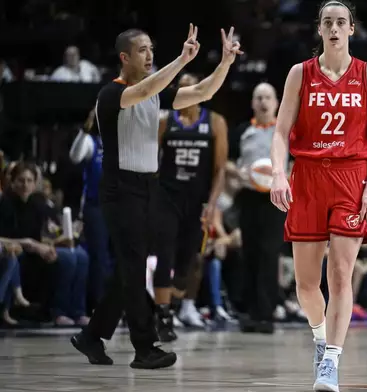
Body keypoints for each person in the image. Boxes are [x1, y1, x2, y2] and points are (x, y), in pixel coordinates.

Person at [70, 24, 242, 369]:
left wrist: (224, 63)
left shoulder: (156, 93)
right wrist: (181, 60)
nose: (149, 55)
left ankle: (92, 336)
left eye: (151, 48)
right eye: (142, 50)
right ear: (125, 57)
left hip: (150, 188)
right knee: (133, 270)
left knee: (127, 270)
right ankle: (145, 348)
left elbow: (203, 92)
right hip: (121, 190)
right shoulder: (111, 94)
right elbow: (148, 86)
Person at [269, 1, 367, 390]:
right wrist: (277, 173)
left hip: (351, 178)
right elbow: (279, 132)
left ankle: (331, 364)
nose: (334, 28)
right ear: (319, 29)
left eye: (341, 22)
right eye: (328, 22)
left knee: (340, 274)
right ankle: (320, 338)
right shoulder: (299, 74)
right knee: (306, 285)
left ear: (352, 29)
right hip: (306, 177)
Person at [153, 72, 228, 342]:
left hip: (197, 202)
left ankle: (170, 307)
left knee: (189, 262)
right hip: (167, 198)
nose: (185, 94)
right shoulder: (165, 122)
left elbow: (220, 171)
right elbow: (153, 163)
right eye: (180, 89)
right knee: (164, 256)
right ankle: (162, 317)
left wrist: (212, 203)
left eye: (190, 88)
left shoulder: (215, 122)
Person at [229, 82, 285, 334]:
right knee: (249, 253)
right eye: (258, 97)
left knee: (268, 254)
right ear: (252, 103)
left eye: (268, 97)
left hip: (275, 200)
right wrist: (240, 173)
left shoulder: (285, 131)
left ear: (276, 103)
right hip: (249, 198)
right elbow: (227, 163)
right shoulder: (242, 130)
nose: (263, 102)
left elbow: (296, 164)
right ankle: (250, 313)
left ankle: (266, 314)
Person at [69, 109, 112, 310]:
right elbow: (74, 157)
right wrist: (84, 130)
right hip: (96, 207)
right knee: (99, 257)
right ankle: (98, 305)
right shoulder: (90, 141)